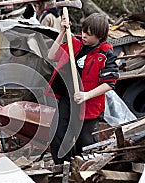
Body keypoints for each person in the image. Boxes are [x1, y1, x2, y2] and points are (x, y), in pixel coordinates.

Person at [45, 13, 119, 164]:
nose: (84, 36)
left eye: (89, 34)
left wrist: (86, 95)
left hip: (89, 105)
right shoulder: (75, 45)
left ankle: (83, 173)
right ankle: (63, 169)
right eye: (83, 31)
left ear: (100, 37)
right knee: (58, 135)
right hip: (68, 99)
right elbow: (51, 55)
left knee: (85, 144)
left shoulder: (105, 54)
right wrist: (62, 32)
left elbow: (109, 83)